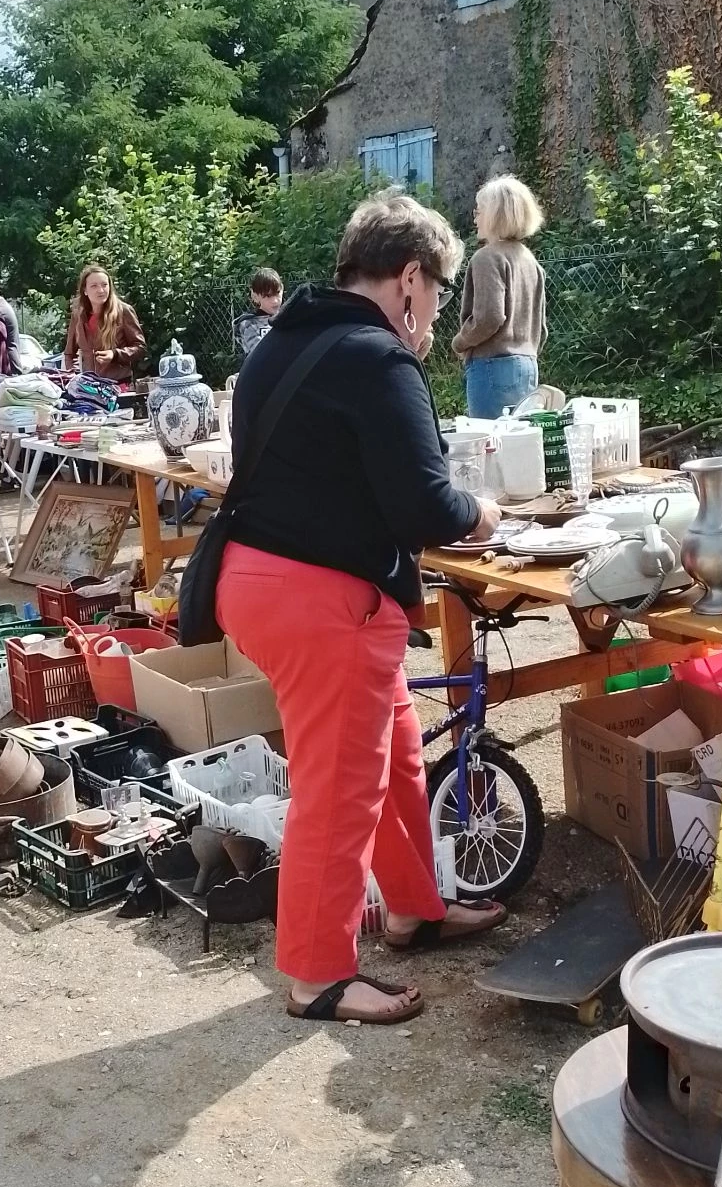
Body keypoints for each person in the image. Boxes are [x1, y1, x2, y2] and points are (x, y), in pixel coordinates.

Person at [216, 195, 505, 1026]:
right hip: (322, 600)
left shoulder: (286, 342)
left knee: (396, 749)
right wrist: (483, 516)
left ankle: (414, 907)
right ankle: (316, 975)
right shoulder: (378, 358)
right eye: (440, 292)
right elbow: (426, 506)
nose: (437, 312)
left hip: (269, 583)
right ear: (410, 278)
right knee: (339, 787)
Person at [452, 175, 549, 418]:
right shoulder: (531, 262)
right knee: (517, 445)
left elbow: (488, 317)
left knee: (489, 446)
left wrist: (460, 342)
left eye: (480, 210)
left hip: (491, 367)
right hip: (528, 366)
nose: (476, 218)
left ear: (495, 213)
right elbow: (542, 329)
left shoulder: (487, 257)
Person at [63, 264, 146, 382]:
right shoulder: (78, 316)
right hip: (88, 387)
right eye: (94, 286)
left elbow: (140, 347)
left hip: (118, 384)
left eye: (104, 285)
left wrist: (115, 354)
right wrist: (72, 377)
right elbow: (69, 354)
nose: (101, 290)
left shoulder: (123, 311)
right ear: (85, 290)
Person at [233, 268, 283, 359]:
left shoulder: (289, 318)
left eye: (277, 293)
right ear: (255, 296)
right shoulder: (249, 324)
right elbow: (262, 356)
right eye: (268, 296)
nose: (275, 301)